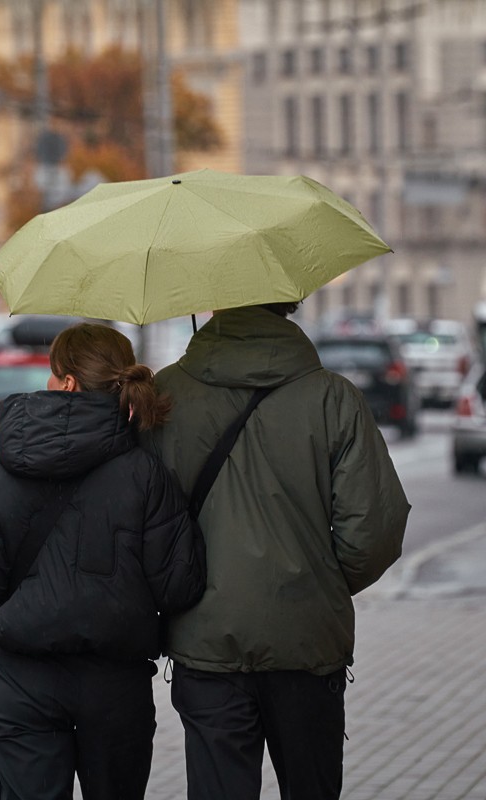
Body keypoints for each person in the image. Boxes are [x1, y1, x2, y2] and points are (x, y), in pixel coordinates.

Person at [145, 302, 410, 800]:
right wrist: (319, 583)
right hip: (306, 643)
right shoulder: (333, 397)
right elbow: (375, 528)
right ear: (287, 301)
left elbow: (141, 525)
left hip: (206, 644)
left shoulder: (166, 396)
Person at [0, 322, 206, 800]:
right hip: (115, 685)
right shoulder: (146, 475)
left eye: (52, 372)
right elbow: (178, 588)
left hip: (22, 682)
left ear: (66, 383)